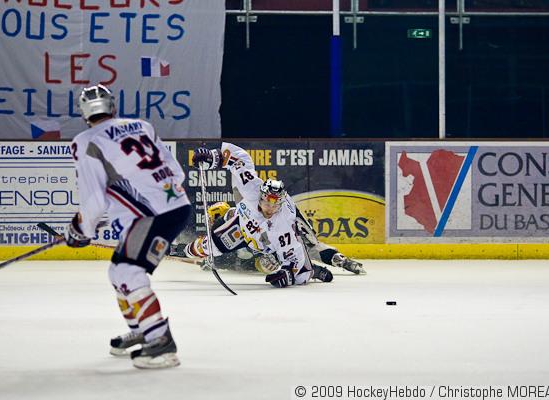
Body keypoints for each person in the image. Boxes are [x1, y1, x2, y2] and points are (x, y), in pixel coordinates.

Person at [66, 84, 191, 369]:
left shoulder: (86, 141)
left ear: (84, 113)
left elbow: (94, 201)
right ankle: (143, 329)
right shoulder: (142, 126)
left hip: (151, 215)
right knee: (117, 271)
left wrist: (79, 231)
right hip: (175, 205)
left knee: (128, 272)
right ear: (112, 106)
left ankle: (160, 342)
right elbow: (177, 172)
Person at [187, 142, 334, 288]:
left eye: (275, 205)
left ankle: (314, 270)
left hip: (267, 245)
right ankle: (181, 250)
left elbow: (295, 261)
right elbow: (239, 159)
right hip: (243, 228)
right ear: (261, 196)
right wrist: (212, 156)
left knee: (287, 267)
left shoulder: (283, 224)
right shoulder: (251, 188)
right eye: (267, 203)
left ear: (281, 204)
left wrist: (286, 275)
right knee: (208, 246)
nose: (270, 208)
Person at [174, 201, 365, 275]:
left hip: (269, 246)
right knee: (306, 248)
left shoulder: (231, 220)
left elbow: (232, 252)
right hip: (267, 248)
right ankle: (334, 262)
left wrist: (214, 261)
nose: (212, 221)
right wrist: (214, 261)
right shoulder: (237, 218)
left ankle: (320, 267)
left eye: (214, 217)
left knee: (295, 251)